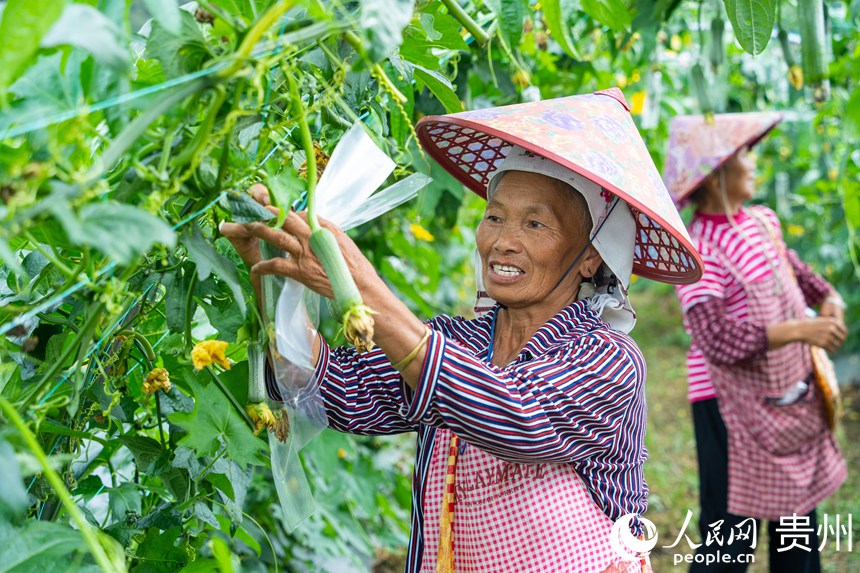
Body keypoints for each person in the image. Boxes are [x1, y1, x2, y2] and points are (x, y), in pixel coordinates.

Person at [223, 89, 703, 573]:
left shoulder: (609, 359)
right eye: (494, 217)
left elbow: (512, 413)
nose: (502, 242)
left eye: (535, 225)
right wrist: (271, 277)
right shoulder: (460, 341)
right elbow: (338, 392)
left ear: (590, 257)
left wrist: (360, 287)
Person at [663, 112, 848, 573]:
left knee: (797, 523)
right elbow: (715, 337)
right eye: (744, 155)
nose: (753, 163)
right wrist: (802, 331)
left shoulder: (762, 222)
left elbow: (799, 274)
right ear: (718, 174)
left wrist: (830, 299)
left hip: (786, 395)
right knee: (729, 536)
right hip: (725, 406)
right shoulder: (697, 249)